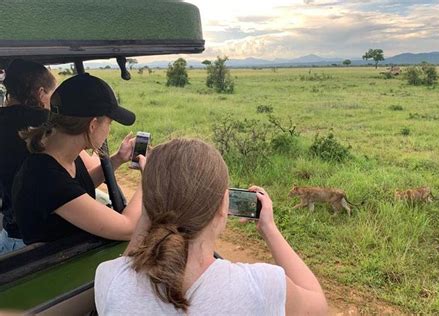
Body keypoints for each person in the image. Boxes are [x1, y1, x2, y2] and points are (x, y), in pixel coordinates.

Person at [95, 139, 327, 315]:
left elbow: (129, 262)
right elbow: (318, 304)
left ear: (147, 206)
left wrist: (151, 206)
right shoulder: (261, 286)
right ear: (223, 206)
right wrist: (269, 229)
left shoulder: (110, 278)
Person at [11, 73, 144, 246]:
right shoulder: (45, 178)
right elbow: (130, 229)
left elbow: (76, 187)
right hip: (57, 268)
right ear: (93, 125)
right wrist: (149, 179)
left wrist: (118, 159)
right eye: (109, 124)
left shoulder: (58, 155)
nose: (108, 131)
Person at [0, 59, 56, 254]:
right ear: (41, 93)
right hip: (40, 239)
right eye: (50, 94)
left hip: (9, 234)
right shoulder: (45, 122)